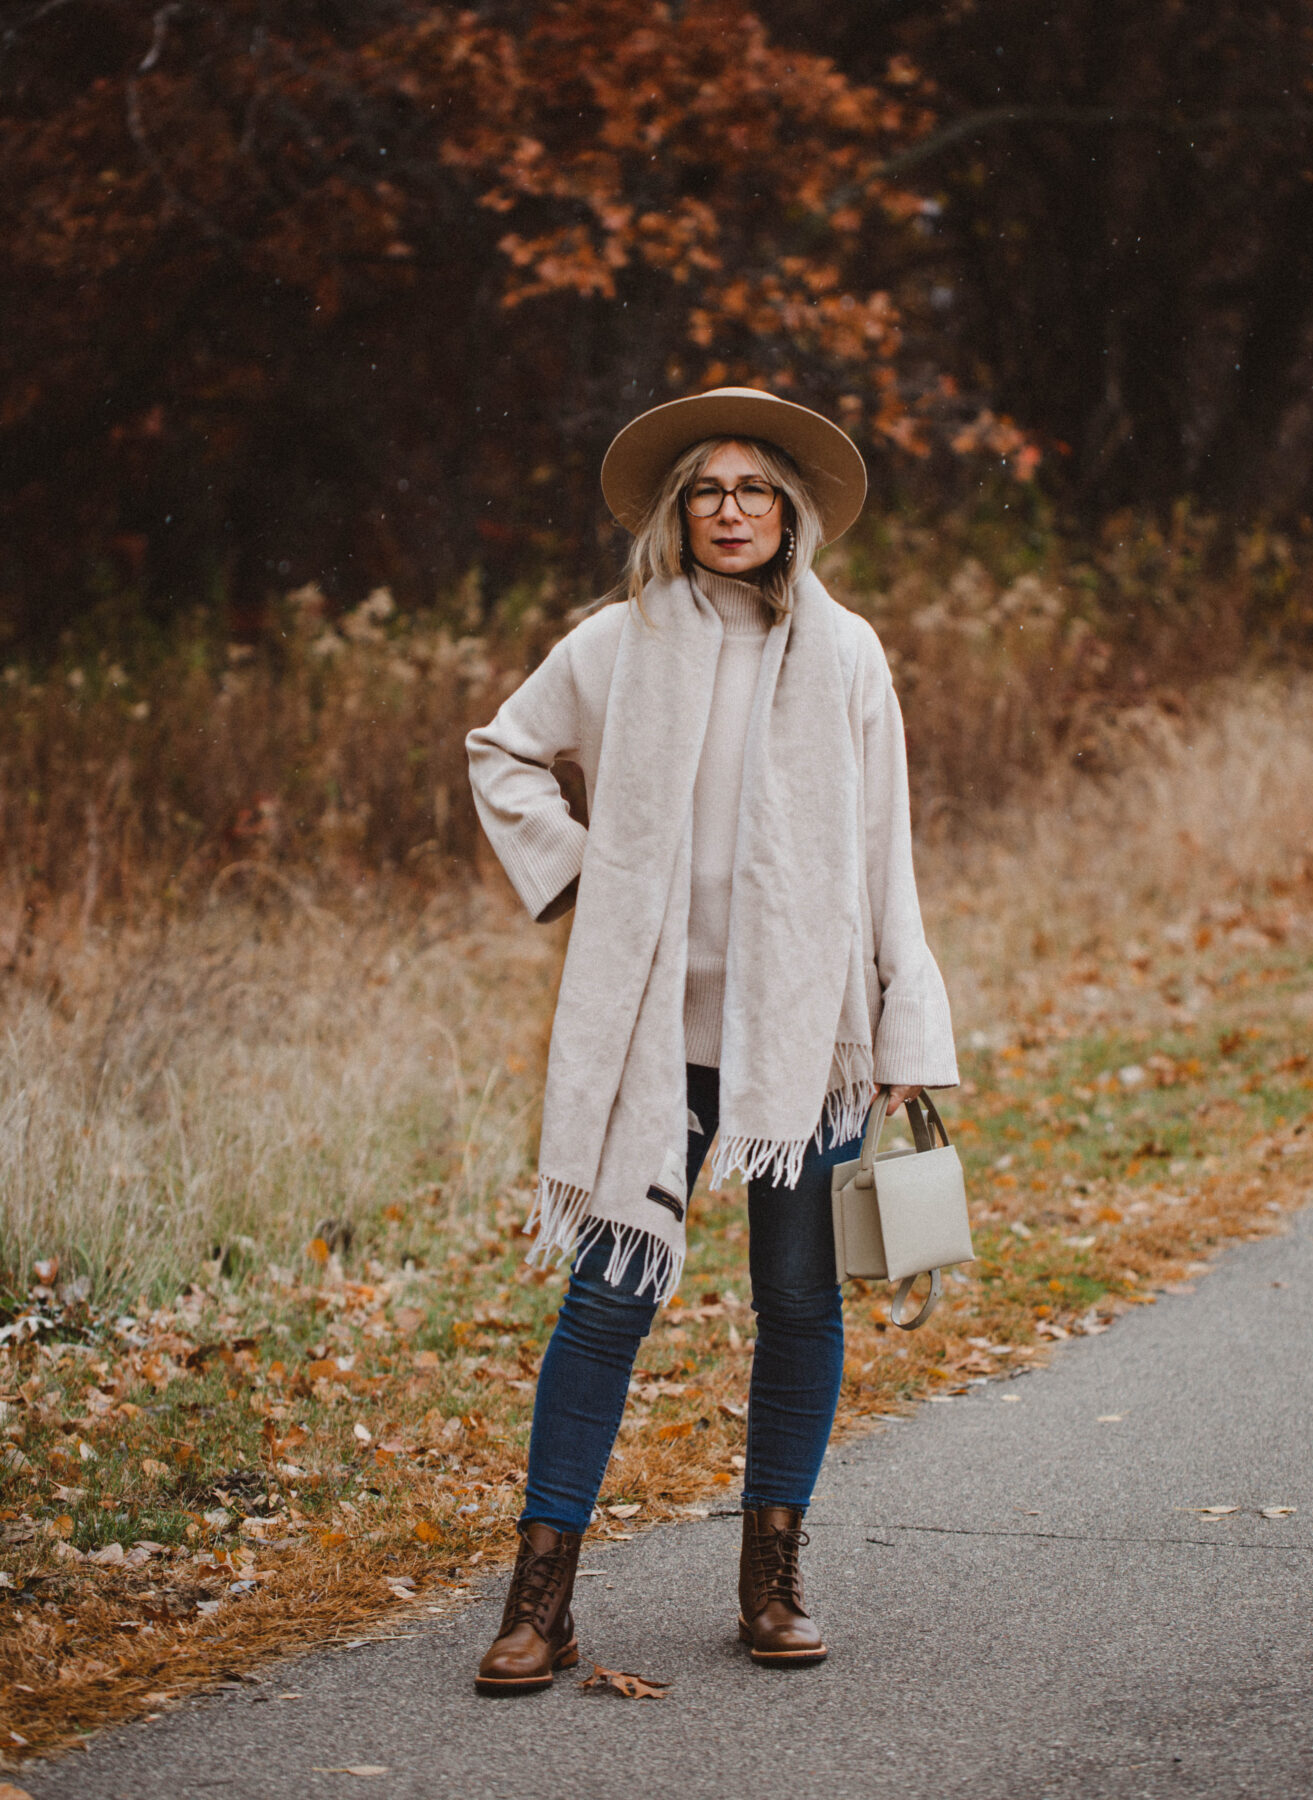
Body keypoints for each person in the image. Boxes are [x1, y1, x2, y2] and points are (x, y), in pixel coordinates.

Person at [465, 387, 958, 1693]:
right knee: (608, 1298)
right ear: (678, 514)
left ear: (788, 511)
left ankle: (772, 1581)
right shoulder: (617, 645)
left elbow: (885, 853)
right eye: (708, 490)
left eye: (753, 490)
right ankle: (541, 1600)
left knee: (798, 1303)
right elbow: (501, 753)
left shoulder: (847, 656)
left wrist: (907, 1012)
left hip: (806, 1040)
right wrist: (579, 876)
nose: (731, 510)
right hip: (655, 1042)